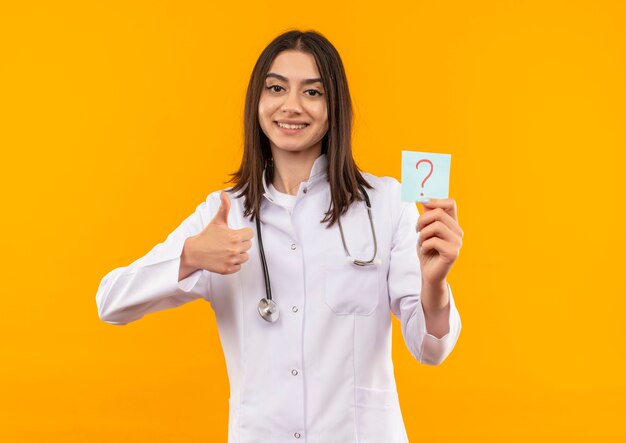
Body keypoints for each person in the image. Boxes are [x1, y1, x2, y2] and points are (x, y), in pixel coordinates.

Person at [96, 29, 463, 443]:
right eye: (276, 88)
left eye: (312, 92)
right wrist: (191, 256)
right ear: (258, 101)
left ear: (334, 107)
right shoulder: (225, 214)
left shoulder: (386, 203)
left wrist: (435, 284)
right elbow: (111, 303)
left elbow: (431, 350)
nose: (291, 106)